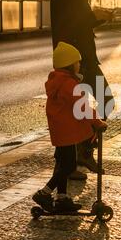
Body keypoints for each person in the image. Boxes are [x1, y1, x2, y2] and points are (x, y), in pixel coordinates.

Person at [50, 0, 114, 180]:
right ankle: (81, 154)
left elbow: (81, 23)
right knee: (104, 101)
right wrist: (94, 17)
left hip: (82, 58)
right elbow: (70, 26)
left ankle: (74, 159)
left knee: (75, 111)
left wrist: (98, 19)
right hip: (75, 60)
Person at [32, 42, 107, 212]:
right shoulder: (69, 84)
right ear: (70, 64)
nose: (79, 64)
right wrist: (97, 122)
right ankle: (45, 192)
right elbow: (83, 107)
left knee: (61, 164)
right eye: (77, 62)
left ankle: (62, 197)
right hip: (66, 132)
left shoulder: (58, 81)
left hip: (60, 131)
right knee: (68, 166)